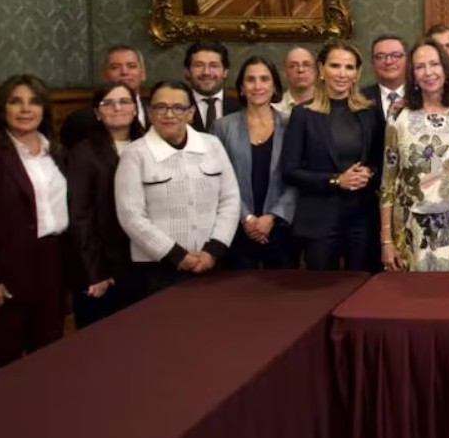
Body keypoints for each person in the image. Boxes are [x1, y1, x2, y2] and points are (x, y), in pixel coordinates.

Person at [0, 75, 69, 371]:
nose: (25, 109)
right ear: (1, 109)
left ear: (44, 109)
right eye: (15, 101)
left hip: (52, 265)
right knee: (5, 366)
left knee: (48, 359)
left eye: (34, 102)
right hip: (5, 276)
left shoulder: (57, 152)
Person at [115, 80, 239, 298]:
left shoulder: (212, 145)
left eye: (178, 107)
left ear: (190, 113)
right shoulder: (135, 154)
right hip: (157, 270)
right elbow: (130, 216)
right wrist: (177, 255)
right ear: (150, 112)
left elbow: (230, 200)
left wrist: (213, 251)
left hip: (211, 262)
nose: (169, 114)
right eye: (160, 107)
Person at [380, 41, 449, 272]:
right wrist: (386, 241)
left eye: (434, 64)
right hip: (407, 231)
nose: (428, 72)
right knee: (409, 303)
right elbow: (388, 181)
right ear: (412, 75)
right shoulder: (399, 115)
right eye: (420, 67)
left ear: (446, 69)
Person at [281, 41, 383, 271]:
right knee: (322, 291)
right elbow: (290, 171)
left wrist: (370, 172)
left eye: (349, 67)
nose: (342, 73)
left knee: (362, 288)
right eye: (335, 66)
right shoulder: (303, 114)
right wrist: (337, 180)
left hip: (362, 218)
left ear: (357, 73)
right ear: (322, 69)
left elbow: (380, 162)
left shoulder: (368, 112)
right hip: (320, 220)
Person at [213, 57, 299, 269]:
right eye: (250, 80)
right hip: (237, 227)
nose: (258, 86)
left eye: (264, 79)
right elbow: (218, 179)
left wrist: (272, 217)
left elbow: (298, 176)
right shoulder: (222, 127)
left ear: (274, 86)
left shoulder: (292, 124)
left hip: (281, 227)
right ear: (242, 88)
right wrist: (248, 218)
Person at [66, 81, 139, 328]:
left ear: (136, 108)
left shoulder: (149, 146)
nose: (117, 108)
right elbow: (80, 217)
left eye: (124, 101)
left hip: (144, 263)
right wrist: (94, 272)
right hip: (104, 267)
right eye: (108, 103)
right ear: (97, 112)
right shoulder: (83, 153)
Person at [60, 45, 148, 147]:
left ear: (143, 74)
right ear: (105, 75)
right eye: (115, 67)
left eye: (131, 66)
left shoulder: (156, 113)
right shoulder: (79, 121)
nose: (124, 72)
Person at [184, 40, 240, 132]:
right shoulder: (177, 107)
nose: (206, 72)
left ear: (225, 72)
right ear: (188, 71)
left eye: (214, 66)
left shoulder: (242, 107)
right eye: (199, 65)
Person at [361, 35, 409, 124]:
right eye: (381, 56)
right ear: (372, 63)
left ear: (408, 60)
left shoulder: (421, 96)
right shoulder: (359, 99)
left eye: (396, 55)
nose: (388, 62)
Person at [275, 46, 316, 114]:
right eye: (293, 66)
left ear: (315, 70)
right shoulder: (275, 109)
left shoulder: (329, 105)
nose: (300, 70)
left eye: (306, 65)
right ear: (284, 73)